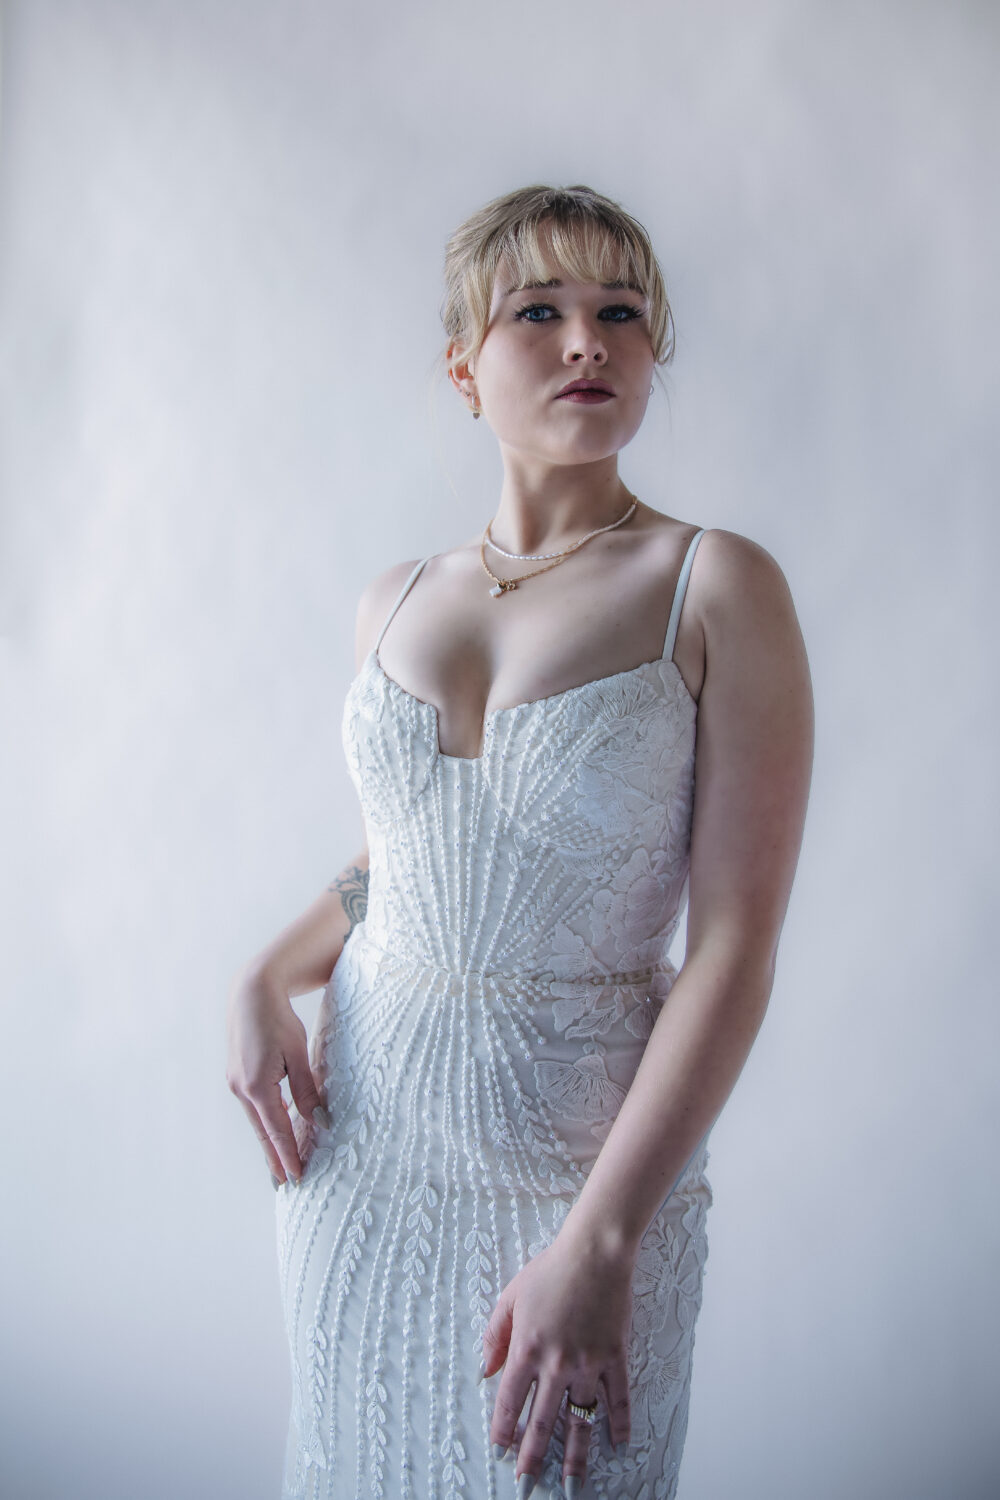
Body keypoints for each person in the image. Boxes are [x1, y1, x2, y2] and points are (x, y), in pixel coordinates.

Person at [226, 183, 814, 1500]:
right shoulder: (395, 600)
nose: (587, 341)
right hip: (364, 1169)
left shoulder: (712, 586)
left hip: (580, 1186)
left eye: (621, 314)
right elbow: (420, 864)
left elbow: (734, 947)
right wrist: (266, 975)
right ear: (463, 368)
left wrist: (601, 1241)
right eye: (538, 310)